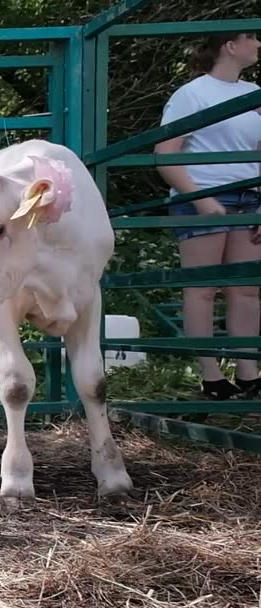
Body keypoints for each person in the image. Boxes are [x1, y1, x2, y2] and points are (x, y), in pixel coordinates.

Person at [154, 30, 261, 400]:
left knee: (246, 290)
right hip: (204, 195)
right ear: (230, 46)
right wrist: (199, 198)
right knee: (201, 290)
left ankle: (249, 373)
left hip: (250, 198)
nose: (259, 44)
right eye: (253, 37)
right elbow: (165, 153)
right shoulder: (191, 94)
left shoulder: (254, 94)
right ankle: (211, 376)